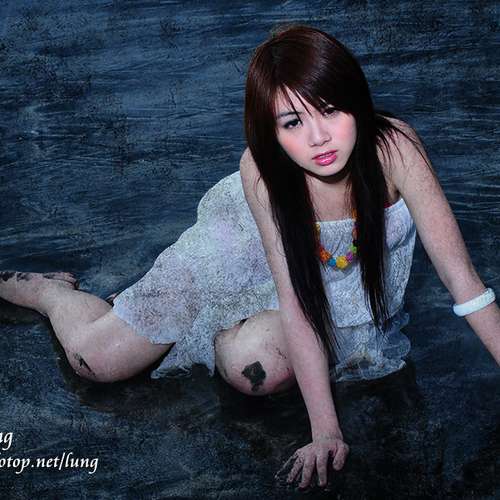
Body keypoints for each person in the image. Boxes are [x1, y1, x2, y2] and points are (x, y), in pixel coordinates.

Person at [1, 25, 499, 490]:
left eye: (330, 110)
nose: (318, 138)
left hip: (323, 276)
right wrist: (326, 430)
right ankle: (49, 293)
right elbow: (298, 301)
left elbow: (465, 284)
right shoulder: (262, 172)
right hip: (234, 251)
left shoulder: (394, 149)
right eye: (292, 122)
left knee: (253, 368)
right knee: (98, 361)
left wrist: (325, 433)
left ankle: (223, 332)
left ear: (357, 104)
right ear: (270, 130)